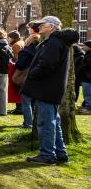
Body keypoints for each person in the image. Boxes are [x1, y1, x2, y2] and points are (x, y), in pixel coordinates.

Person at [22, 16, 78, 165]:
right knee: (53, 121)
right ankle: (60, 154)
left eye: (42, 24)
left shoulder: (54, 42)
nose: (39, 26)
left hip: (47, 88)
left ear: (52, 27)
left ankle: (47, 155)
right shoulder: (55, 41)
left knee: (46, 122)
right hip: (50, 88)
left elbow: (46, 64)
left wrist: (32, 74)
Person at [15, 23, 40, 128]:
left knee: (26, 101)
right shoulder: (41, 49)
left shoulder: (27, 50)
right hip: (39, 75)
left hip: (27, 76)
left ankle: (28, 123)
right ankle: (35, 123)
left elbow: (20, 65)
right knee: (36, 101)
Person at [8, 30, 25, 115]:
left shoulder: (16, 45)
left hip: (18, 69)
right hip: (23, 68)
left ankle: (19, 108)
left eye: (9, 37)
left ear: (12, 38)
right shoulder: (22, 42)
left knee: (17, 88)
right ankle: (19, 108)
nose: (8, 39)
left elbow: (16, 58)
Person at [78, 40, 91, 114]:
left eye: (85, 45)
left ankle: (88, 108)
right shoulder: (87, 54)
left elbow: (88, 65)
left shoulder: (89, 55)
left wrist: (81, 68)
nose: (83, 47)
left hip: (87, 78)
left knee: (87, 94)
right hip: (86, 77)